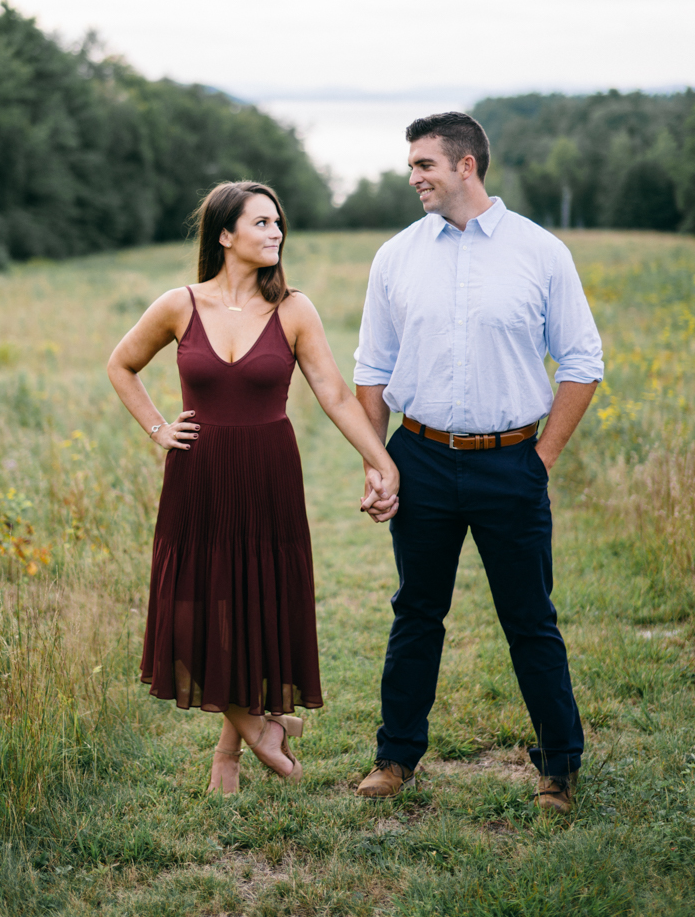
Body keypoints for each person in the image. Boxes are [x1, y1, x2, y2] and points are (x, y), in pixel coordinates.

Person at [107, 180, 399, 793]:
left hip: (269, 476)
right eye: (261, 223)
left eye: (277, 224)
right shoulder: (178, 305)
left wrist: (382, 461)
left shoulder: (295, 309)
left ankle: (231, 752)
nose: (275, 233)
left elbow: (334, 394)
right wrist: (158, 429)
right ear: (225, 234)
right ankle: (260, 727)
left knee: (253, 603)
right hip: (199, 475)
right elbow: (121, 364)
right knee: (191, 611)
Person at [353, 113, 603, 814]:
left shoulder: (540, 252)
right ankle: (395, 757)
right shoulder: (396, 256)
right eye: (411, 165)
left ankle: (559, 764)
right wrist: (379, 463)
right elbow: (372, 370)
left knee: (530, 618)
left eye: (424, 164)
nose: (413, 178)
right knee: (416, 613)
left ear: (467, 166)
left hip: (511, 463)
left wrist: (542, 461)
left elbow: (584, 361)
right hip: (421, 458)